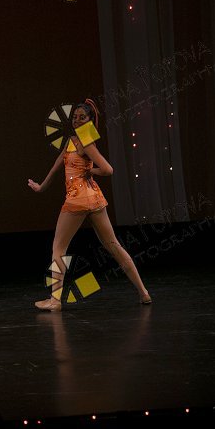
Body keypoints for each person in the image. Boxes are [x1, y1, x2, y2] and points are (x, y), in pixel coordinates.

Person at [27, 100, 152, 311]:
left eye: (82, 117)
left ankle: (55, 300)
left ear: (90, 120)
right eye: (75, 117)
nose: (76, 120)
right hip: (94, 199)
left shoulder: (86, 141)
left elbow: (108, 169)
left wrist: (89, 171)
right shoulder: (73, 140)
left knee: (58, 248)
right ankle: (144, 292)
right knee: (113, 246)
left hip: (77, 199)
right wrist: (41, 187)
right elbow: (57, 166)